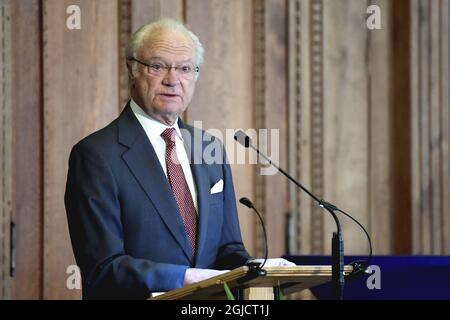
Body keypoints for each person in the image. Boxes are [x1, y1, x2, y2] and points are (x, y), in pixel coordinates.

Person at [64, 18, 294, 300]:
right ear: (132, 69)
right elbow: (102, 268)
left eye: (185, 68)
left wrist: (253, 268)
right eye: (158, 66)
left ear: (195, 75)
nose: (173, 80)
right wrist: (186, 277)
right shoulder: (96, 155)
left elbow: (228, 250)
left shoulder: (210, 148)